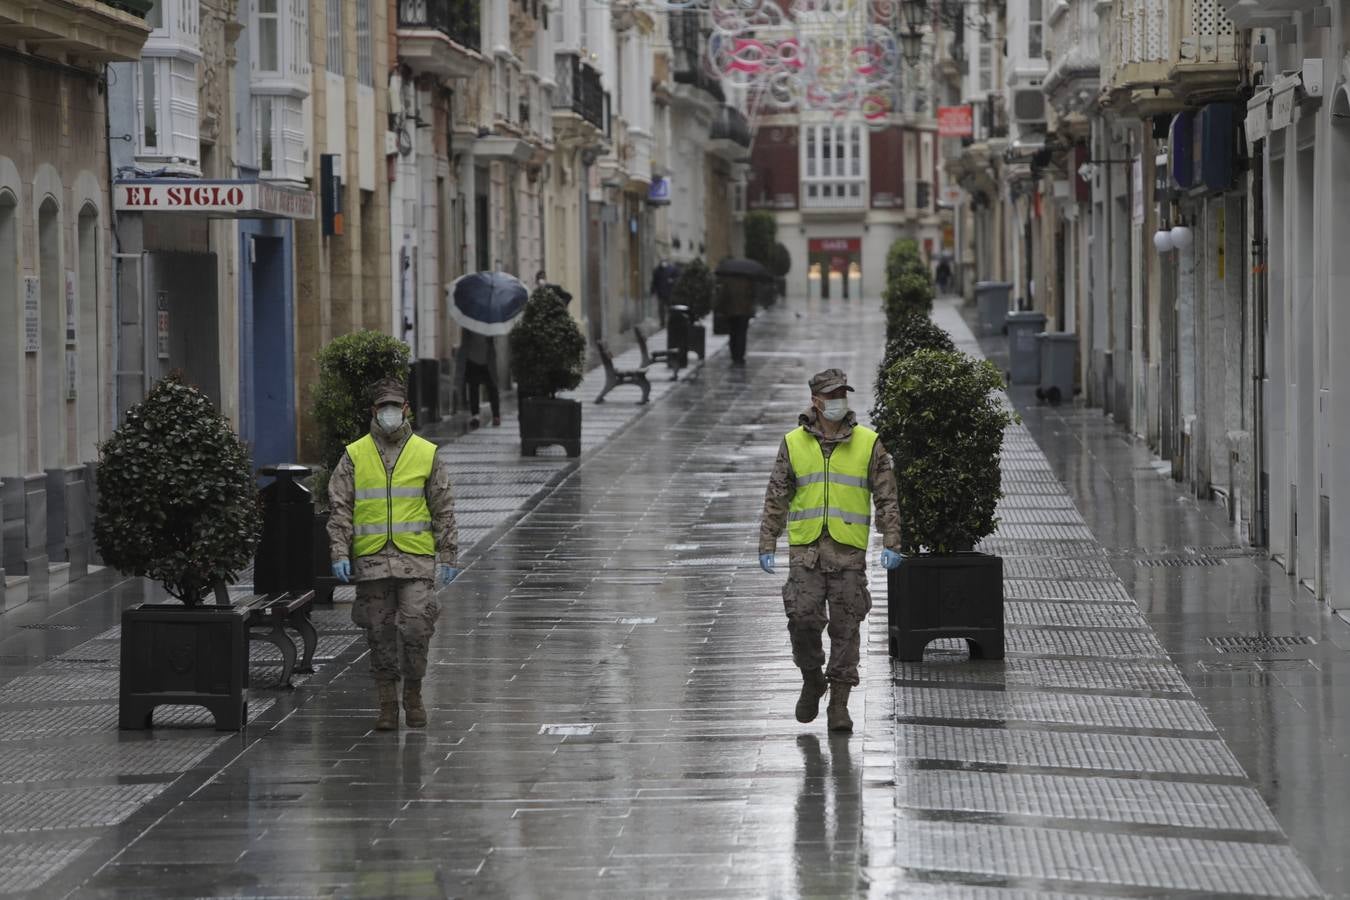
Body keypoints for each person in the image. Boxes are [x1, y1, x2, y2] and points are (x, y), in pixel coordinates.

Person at [758, 369, 904, 733]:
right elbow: (777, 494)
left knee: (846, 628)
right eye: (831, 394)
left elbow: (887, 495)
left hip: (848, 553)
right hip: (806, 550)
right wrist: (767, 541)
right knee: (802, 619)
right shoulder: (793, 443)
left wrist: (892, 541)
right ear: (816, 401)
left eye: (842, 393)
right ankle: (812, 677)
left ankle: (839, 704)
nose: (838, 399)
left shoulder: (869, 442)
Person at [328, 378, 459, 731]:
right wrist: (339, 551)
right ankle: (387, 703)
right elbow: (340, 507)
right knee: (379, 632)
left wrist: (448, 554)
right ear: (374, 411)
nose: (389, 413)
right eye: (382, 407)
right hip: (371, 562)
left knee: (417, 626)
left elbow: (443, 507)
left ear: (405, 410)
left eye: (394, 407)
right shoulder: (354, 455)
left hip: (415, 560)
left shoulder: (426, 453)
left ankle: (413, 693)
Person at [714, 271, 757, 364]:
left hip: (731, 312)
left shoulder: (728, 282)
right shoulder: (748, 282)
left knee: (733, 333)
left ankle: (734, 355)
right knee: (742, 334)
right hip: (744, 312)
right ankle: (740, 356)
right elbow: (753, 296)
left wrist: (719, 308)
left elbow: (723, 296)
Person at [461, 331, 500, 428]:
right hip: (474, 361)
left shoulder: (484, 325)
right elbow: (465, 344)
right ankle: (477, 416)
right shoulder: (470, 326)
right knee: (476, 388)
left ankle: (495, 415)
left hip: (485, 361)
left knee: (491, 388)